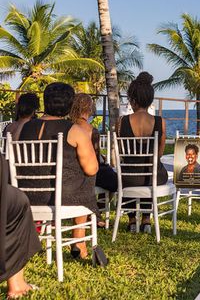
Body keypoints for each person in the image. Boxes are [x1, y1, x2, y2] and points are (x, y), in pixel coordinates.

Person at [18, 83, 98, 260]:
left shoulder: (25, 128)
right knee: (88, 178)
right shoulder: (74, 130)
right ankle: (79, 240)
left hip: (27, 195)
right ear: (70, 104)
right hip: (61, 197)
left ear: (45, 102)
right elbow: (92, 168)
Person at [116, 72, 168, 233]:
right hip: (152, 176)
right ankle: (146, 219)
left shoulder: (121, 122)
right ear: (150, 100)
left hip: (128, 178)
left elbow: (122, 154)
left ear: (133, 100)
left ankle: (132, 219)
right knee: (150, 171)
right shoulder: (160, 122)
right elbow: (158, 155)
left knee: (127, 174)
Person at [69, 94, 117, 227]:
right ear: (90, 109)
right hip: (88, 171)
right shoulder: (91, 130)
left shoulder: (68, 126)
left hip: (70, 171)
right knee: (114, 181)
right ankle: (98, 211)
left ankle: (94, 213)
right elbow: (94, 158)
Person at [0, 153, 40, 299]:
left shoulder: (15, 129)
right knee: (19, 203)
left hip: (27, 186)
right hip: (55, 195)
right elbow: (92, 169)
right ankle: (17, 285)